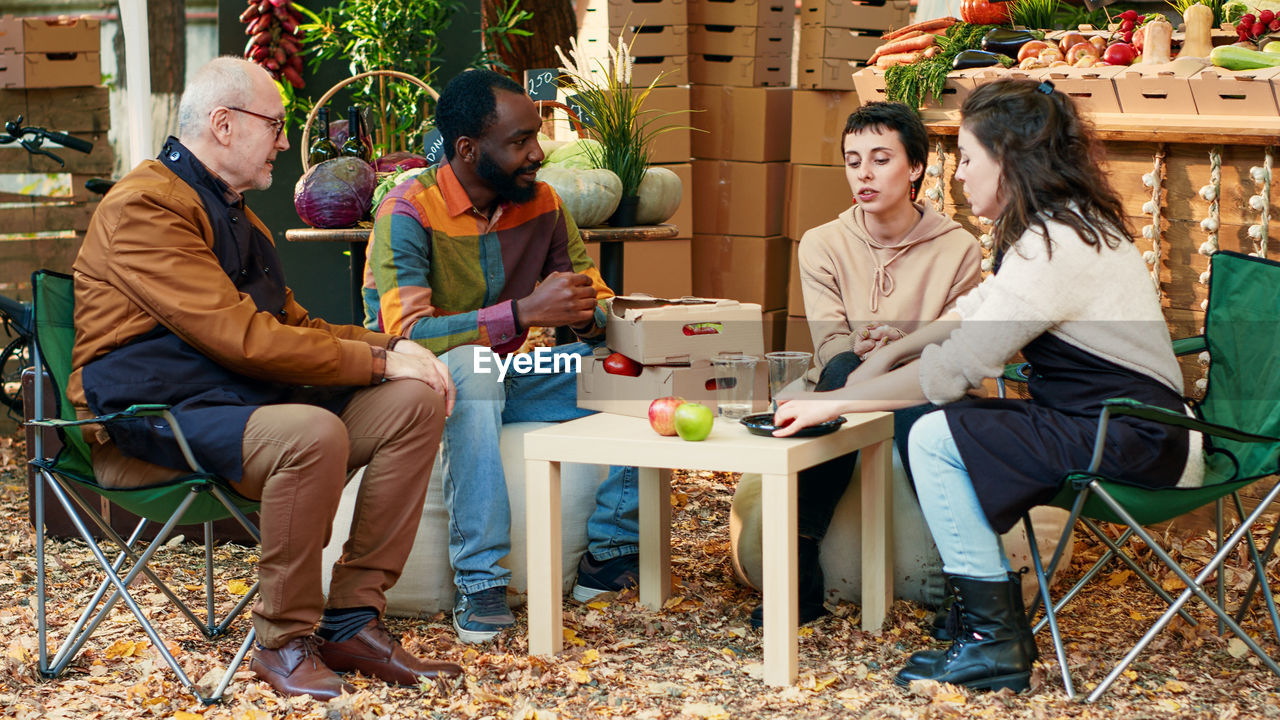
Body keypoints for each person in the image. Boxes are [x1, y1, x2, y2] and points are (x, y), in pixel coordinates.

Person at [773, 79, 1202, 692]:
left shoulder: (1056, 246)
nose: (961, 176)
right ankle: (988, 629)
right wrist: (886, 353)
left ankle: (991, 639)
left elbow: (948, 375)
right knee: (936, 423)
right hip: (1123, 427)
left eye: (969, 159)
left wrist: (830, 402)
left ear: (1008, 160)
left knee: (934, 431)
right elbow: (972, 313)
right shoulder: (1060, 230)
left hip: (1135, 438)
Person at [71, 57, 463, 700]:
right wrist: (378, 359)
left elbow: (294, 323)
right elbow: (243, 338)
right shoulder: (144, 207)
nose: (285, 141)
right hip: (153, 418)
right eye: (276, 124)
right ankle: (281, 641)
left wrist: (394, 349)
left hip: (233, 404)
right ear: (223, 125)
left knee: (413, 404)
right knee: (310, 433)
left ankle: (353, 620)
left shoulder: (234, 214)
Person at [363, 69, 640, 644]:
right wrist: (525, 313)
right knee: (470, 362)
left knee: (639, 373)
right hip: (412, 392)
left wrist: (590, 314)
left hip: (508, 377)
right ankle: (481, 582)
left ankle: (611, 553)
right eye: (519, 142)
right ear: (468, 149)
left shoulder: (543, 204)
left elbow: (594, 304)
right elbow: (406, 334)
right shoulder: (406, 212)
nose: (537, 153)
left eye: (535, 137)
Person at [749, 102, 980, 628]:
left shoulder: (958, 247)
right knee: (839, 372)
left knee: (910, 401)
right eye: (854, 161)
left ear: (916, 167)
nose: (864, 174)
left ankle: (962, 584)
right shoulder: (823, 243)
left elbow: (960, 346)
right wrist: (867, 346)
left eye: (880, 159)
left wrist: (902, 343)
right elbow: (829, 341)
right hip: (843, 373)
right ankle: (797, 571)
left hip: (927, 381)